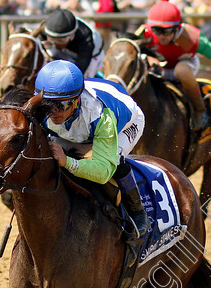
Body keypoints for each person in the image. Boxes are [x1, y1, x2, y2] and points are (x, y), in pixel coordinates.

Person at [34, 60, 150, 253]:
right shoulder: (44, 108)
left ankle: (138, 212)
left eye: (61, 105)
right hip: (78, 126)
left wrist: (68, 162)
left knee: (115, 161)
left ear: (76, 100)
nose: (53, 113)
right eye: (47, 105)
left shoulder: (101, 116)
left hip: (125, 123)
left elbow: (103, 171)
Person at [142, 0, 211, 130]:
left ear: (177, 28)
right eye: (156, 30)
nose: (160, 36)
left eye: (165, 31)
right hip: (160, 68)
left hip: (186, 65)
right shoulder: (145, 34)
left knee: (181, 70)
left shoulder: (191, 38)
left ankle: (200, 110)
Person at [42, 8, 104, 79]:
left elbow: (79, 70)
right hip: (68, 51)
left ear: (71, 35)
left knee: (83, 78)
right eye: (52, 39)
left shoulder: (86, 38)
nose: (56, 44)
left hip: (92, 55)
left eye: (60, 40)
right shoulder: (49, 29)